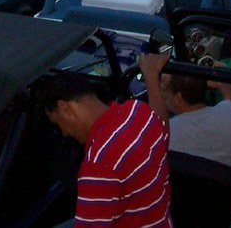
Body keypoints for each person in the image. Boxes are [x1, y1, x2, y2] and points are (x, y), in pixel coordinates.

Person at [38, 71, 172, 227]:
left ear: (65, 108)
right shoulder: (139, 111)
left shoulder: (99, 163)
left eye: (58, 123)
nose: (64, 132)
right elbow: (164, 132)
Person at [139, 51, 231, 196]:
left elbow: (156, 124)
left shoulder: (167, 133)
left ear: (178, 98)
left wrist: (151, 76)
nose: (161, 94)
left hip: (190, 203)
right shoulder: (229, 114)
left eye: (163, 90)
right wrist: (220, 81)